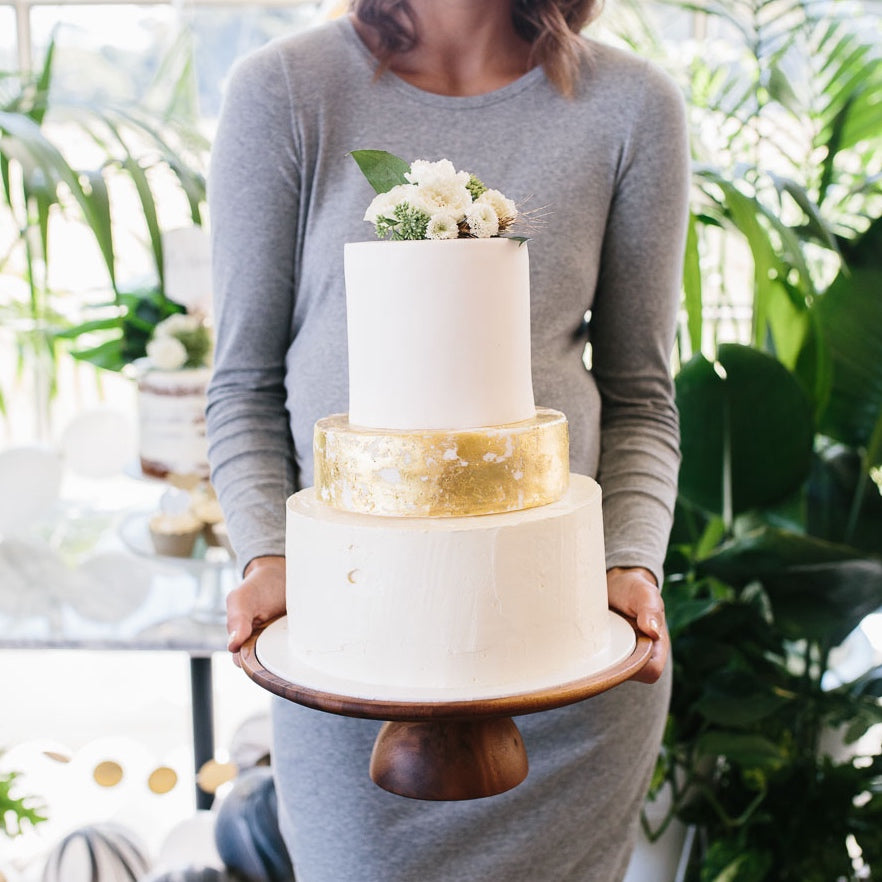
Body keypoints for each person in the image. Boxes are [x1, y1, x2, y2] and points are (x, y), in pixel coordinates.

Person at [206, 0, 689, 879]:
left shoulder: (633, 105)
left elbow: (642, 396)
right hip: (352, 655)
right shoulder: (286, 90)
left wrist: (630, 563)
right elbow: (241, 384)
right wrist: (269, 557)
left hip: (569, 654)